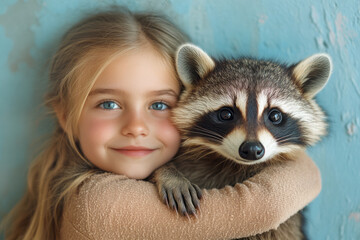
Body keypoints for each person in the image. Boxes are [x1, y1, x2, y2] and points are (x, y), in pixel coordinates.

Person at [1, 9, 321, 240]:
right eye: (109, 104)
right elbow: (263, 207)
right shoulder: (95, 206)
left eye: (158, 105)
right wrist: (303, 164)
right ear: (64, 115)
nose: (136, 127)